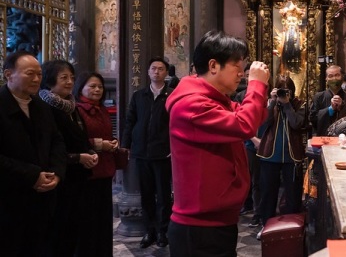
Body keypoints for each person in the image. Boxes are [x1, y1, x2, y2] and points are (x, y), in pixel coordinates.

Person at [165, 30, 270, 257]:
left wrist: (259, 90)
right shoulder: (192, 105)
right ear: (214, 66)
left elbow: (255, 117)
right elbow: (245, 125)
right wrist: (256, 86)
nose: (241, 74)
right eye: (237, 66)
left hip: (216, 220)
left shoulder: (214, 100)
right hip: (199, 227)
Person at [0, 51, 66, 257]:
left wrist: (56, 172)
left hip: (43, 200)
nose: (37, 79)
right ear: (8, 75)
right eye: (30, 74)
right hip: (9, 201)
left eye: (39, 74)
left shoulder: (40, 106)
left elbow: (56, 141)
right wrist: (31, 175)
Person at [39, 60, 98, 256]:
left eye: (72, 77)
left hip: (77, 178)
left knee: (73, 230)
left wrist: (89, 152)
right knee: (58, 233)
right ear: (49, 80)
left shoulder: (71, 106)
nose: (70, 81)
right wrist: (77, 158)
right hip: (59, 179)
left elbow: (79, 138)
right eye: (63, 77)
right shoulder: (45, 107)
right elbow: (48, 149)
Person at [121, 57, 173, 249]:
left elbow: (176, 125)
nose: (156, 72)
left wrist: (173, 149)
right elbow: (130, 121)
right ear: (148, 72)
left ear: (166, 73)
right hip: (142, 152)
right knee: (146, 195)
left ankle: (162, 231)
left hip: (163, 153)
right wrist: (126, 145)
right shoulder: (139, 95)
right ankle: (149, 231)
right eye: (153, 68)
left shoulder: (172, 95)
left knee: (163, 195)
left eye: (160, 69)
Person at [73, 72, 119, 257]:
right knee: (88, 220)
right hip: (87, 171)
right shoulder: (76, 110)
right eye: (92, 86)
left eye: (99, 86)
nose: (97, 90)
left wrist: (113, 143)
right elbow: (75, 141)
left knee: (103, 219)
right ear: (81, 88)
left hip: (105, 170)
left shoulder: (102, 109)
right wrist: (101, 144)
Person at [256, 75, 307, 237]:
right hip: (270, 155)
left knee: (293, 194)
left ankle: (291, 230)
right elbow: (263, 123)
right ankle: (266, 226)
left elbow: (296, 123)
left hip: (292, 157)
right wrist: (271, 103)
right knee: (267, 193)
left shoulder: (300, 104)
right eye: (282, 91)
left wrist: (287, 105)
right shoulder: (271, 104)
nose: (285, 94)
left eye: (288, 91)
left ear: (292, 91)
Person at [235, 64, 263, 229]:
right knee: (247, 177)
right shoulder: (239, 96)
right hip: (249, 143)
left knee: (260, 181)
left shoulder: (264, 95)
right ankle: (247, 204)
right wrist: (253, 139)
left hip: (265, 144)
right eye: (246, 75)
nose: (248, 78)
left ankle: (259, 212)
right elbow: (239, 122)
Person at [309, 65, 346, 136]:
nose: (334, 78)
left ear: (342, 77)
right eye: (330, 76)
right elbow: (313, 119)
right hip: (324, 139)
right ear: (326, 79)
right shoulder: (319, 97)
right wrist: (330, 109)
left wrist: (342, 107)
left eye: (337, 75)